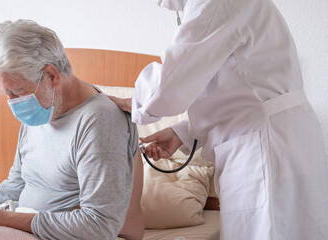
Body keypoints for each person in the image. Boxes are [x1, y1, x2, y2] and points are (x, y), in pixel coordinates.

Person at [110, 0, 328, 239]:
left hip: (267, 149)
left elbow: (168, 85)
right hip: (281, 139)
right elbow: (235, 88)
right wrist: (184, 132)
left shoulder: (214, 2)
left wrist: (130, 102)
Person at [0, 20, 144, 240]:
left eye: (17, 93)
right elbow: (17, 184)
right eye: (6, 94)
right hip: (28, 226)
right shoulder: (40, 110)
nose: (12, 103)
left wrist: (4, 219)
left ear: (52, 75)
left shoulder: (99, 120)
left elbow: (100, 226)